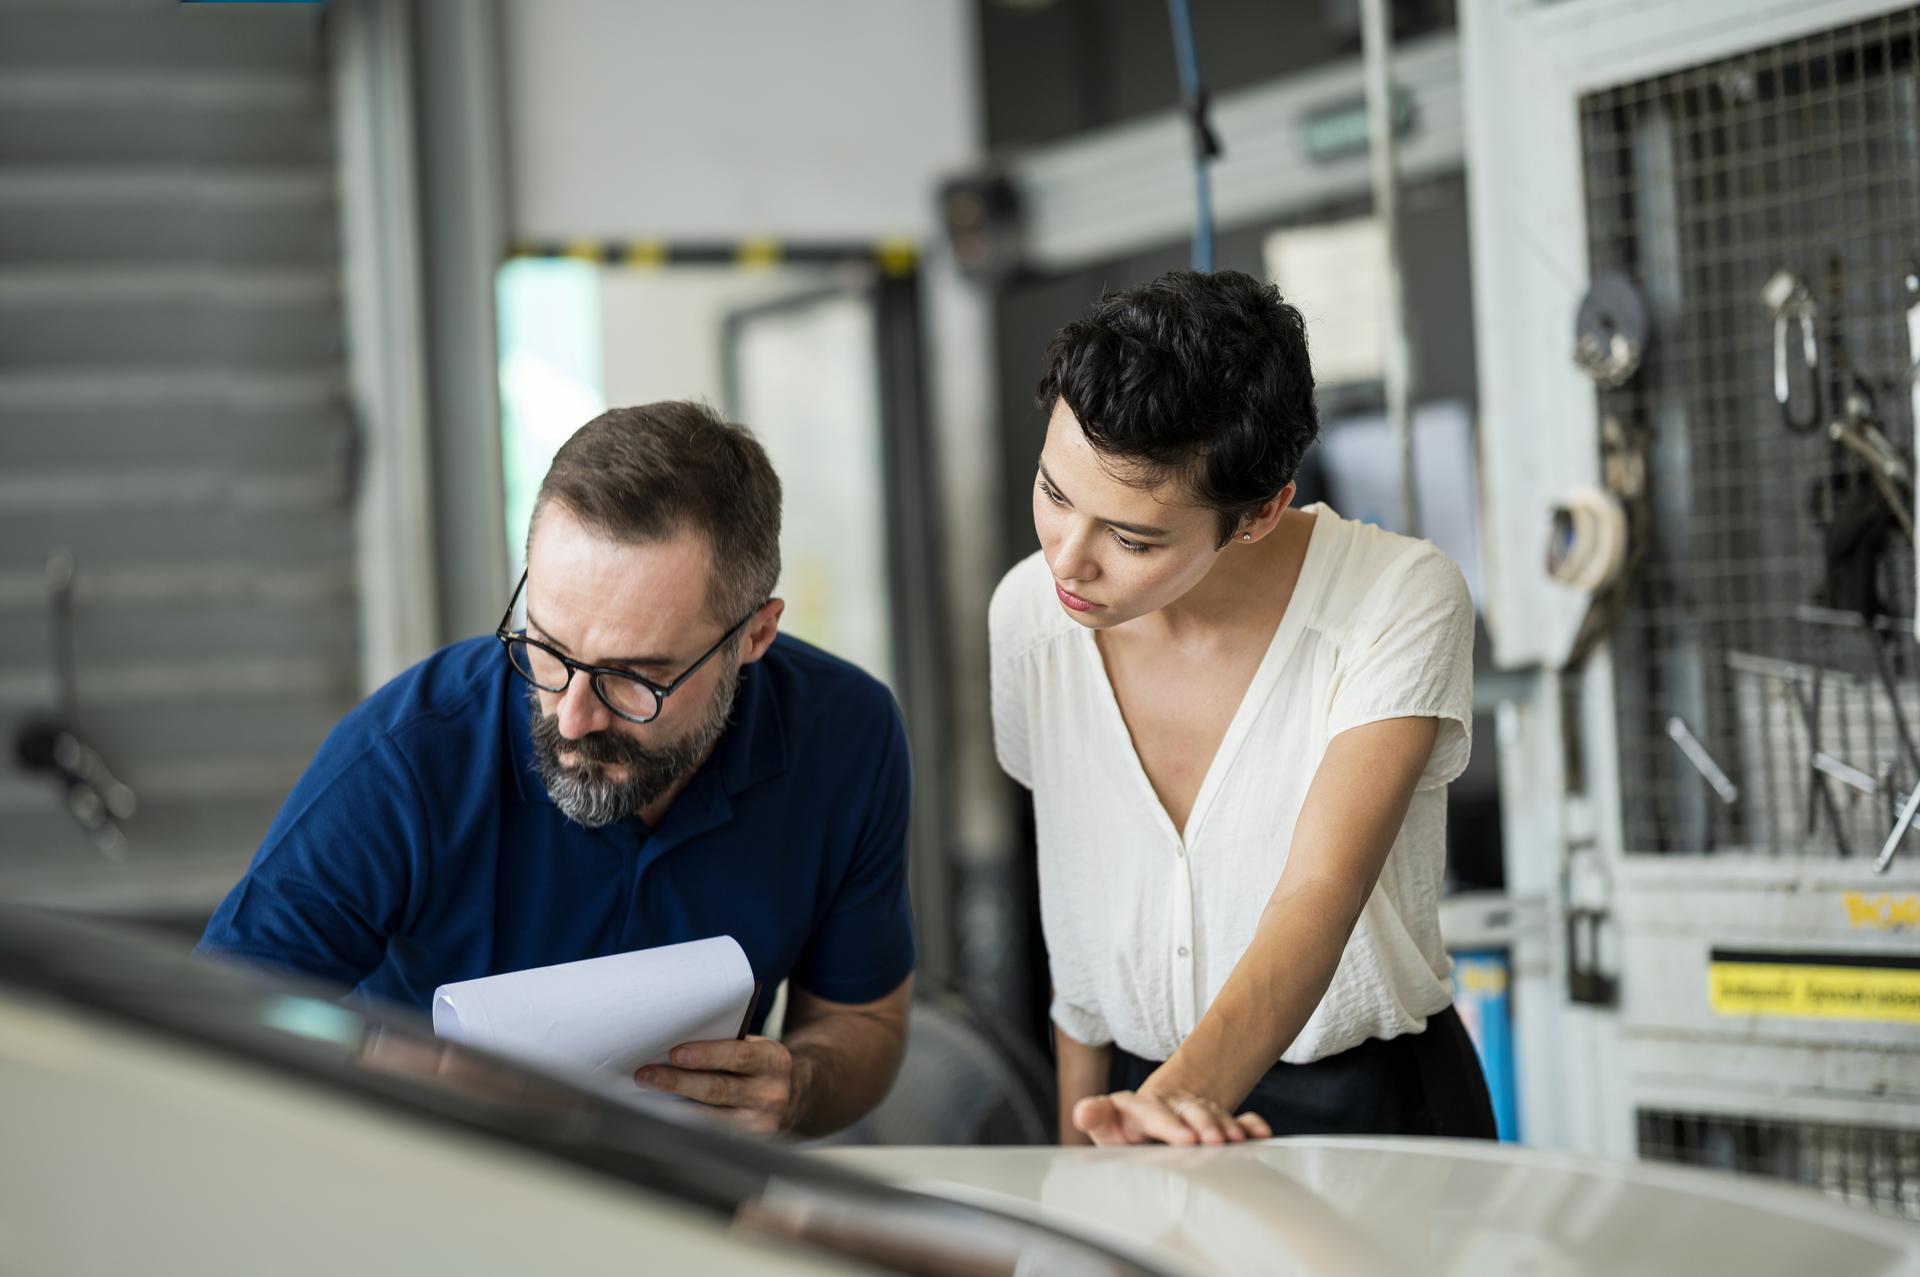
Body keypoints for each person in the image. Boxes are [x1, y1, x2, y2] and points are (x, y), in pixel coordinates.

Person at [201, 402, 916, 1137]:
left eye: (637, 676)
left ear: (755, 634)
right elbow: (211, 1027)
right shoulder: (406, 757)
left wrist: (795, 1087)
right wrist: (388, 1063)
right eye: (547, 645)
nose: (571, 716)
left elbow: (861, 1019)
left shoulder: (845, 736)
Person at [989, 270, 1496, 1146]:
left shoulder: (1397, 596)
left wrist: (1165, 1109)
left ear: (1259, 513)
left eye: (1132, 536)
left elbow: (1318, 895)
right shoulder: (1030, 615)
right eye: (1055, 493)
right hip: (1132, 1103)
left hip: (1363, 1113)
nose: (1068, 559)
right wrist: (1085, 1143)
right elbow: (1078, 926)